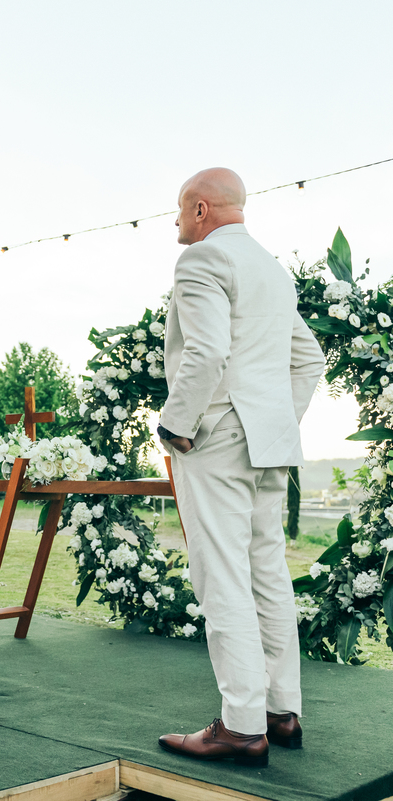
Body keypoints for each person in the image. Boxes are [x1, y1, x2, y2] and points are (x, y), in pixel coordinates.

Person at [156, 168, 325, 766]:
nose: (176, 221)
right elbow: (310, 358)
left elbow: (205, 351)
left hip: (218, 436)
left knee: (223, 576)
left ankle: (240, 726)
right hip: (268, 440)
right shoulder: (272, 272)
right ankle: (281, 713)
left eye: (179, 209)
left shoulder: (202, 261)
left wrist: (176, 424)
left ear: (201, 209)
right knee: (268, 575)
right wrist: (278, 416)